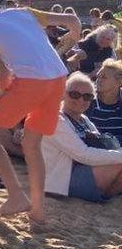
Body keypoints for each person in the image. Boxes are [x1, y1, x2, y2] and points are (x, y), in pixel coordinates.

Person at [0, 0, 80, 222]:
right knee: (32, 145)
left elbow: (3, 74)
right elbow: (72, 20)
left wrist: (5, 102)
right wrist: (75, 35)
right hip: (58, 80)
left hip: (32, 82)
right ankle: (38, 212)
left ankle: (16, 195)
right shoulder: (23, 12)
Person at [41, 72, 122, 203]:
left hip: (82, 170)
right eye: (74, 94)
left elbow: (98, 145)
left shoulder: (83, 119)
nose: (81, 100)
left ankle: (105, 196)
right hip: (62, 180)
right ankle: (103, 195)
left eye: (87, 96)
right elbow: (83, 154)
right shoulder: (56, 120)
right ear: (63, 94)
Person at [87, 59, 122, 144]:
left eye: (104, 77)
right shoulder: (87, 100)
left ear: (119, 82)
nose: (98, 80)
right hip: (93, 154)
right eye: (98, 76)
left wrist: (104, 140)